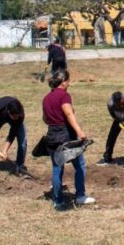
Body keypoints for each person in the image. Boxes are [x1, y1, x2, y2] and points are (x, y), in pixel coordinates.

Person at [42, 69, 95, 210]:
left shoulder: (46, 98)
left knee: (57, 169)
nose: (69, 83)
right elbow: (68, 113)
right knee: (80, 165)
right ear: (63, 81)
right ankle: (80, 196)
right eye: (68, 81)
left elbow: (45, 119)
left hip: (52, 136)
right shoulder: (64, 96)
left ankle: (58, 201)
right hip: (66, 138)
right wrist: (80, 131)